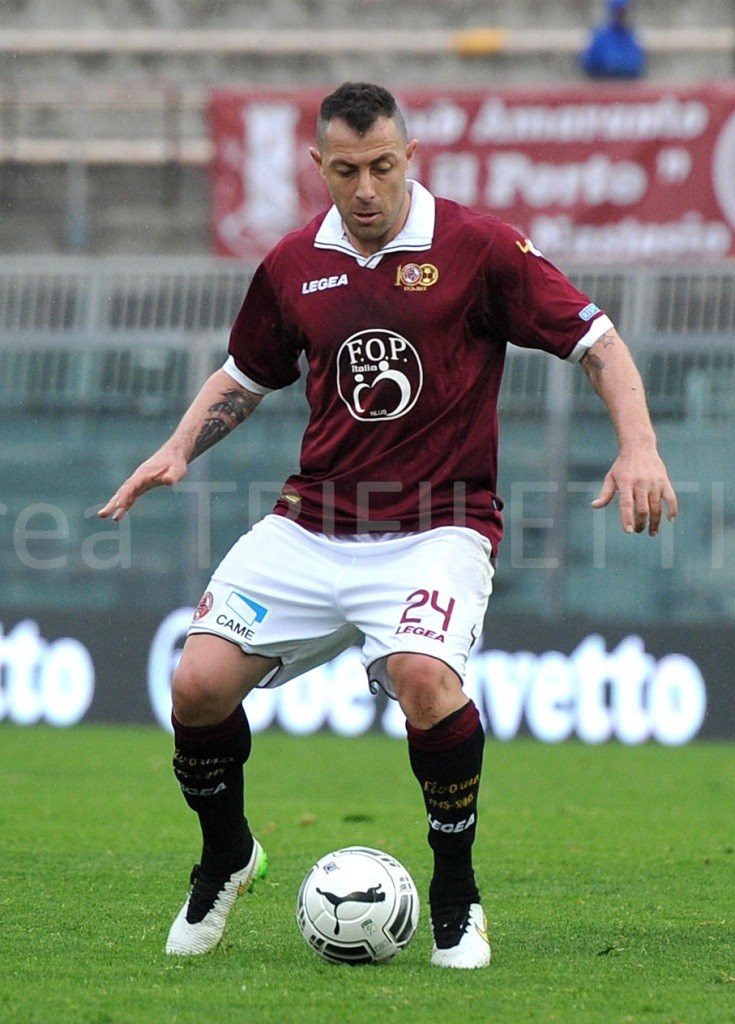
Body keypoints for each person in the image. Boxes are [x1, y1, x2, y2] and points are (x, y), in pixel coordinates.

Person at [99, 82, 677, 969]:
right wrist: (178, 448)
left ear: (409, 156)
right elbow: (245, 374)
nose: (364, 188)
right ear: (318, 165)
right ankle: (226, 856)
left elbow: (594, 340)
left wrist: (637, 446)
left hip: (439, 527)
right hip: (311, 524)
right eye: (345, 170)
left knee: (423, 678)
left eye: (380, 166)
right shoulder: (294, 262)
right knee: (196, 686)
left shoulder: (477, 247)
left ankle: (455, 894)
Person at [580, 0, 647, 79]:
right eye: (619, 12)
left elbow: (638, 66)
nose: (623, 15)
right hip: (605, 82)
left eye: (625, 11)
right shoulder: (600, 37)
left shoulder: (633, 37)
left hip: (629, 83)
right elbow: (590, 66)